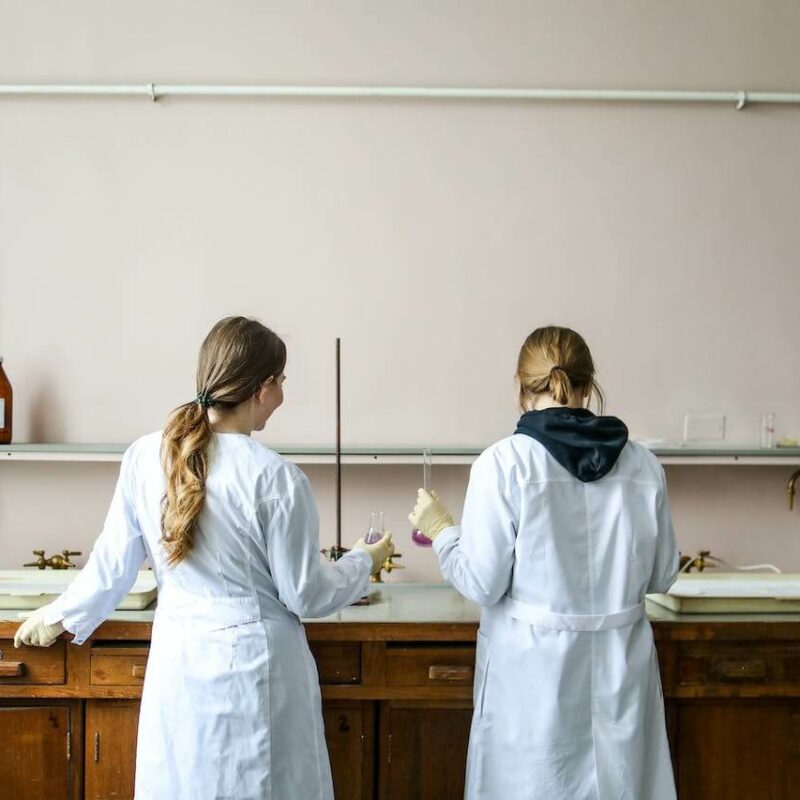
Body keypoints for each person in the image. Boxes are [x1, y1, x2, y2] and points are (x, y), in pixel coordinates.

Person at [15, 316, 394, 800]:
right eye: (282, 382)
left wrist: (60, 614)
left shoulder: (145, 456)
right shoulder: (275, 478)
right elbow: (307, 594)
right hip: (256, 668)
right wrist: (363, 560)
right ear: (263, 388)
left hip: (181, 664)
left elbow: (114, 564)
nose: (281, 395)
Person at [409, 326, 678, 800]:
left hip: (532, 679)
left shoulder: (504, 464)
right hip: (620, 672)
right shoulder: (642, 465)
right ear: (588, 385)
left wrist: (442, 531)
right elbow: (661, 575)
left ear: (520, 386)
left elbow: (482, 582)